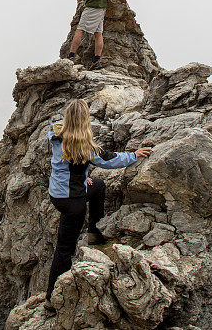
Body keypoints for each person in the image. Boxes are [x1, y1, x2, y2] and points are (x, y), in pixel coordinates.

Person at [44, 98, 151, 306]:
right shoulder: (84, 147)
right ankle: (51, 298)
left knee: (98, 185)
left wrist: (82, 178)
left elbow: (66, 165)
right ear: (85, 120)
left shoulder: (56, 134)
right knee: (64, 249)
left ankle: (94, 231)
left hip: (57, 193)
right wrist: (134, 155)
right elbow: (110, 159)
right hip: (72, 201)